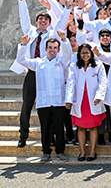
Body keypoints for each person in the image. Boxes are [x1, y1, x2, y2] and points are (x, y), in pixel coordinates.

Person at [16, 34, 72, 162]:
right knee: (45, 128)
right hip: (44, 102)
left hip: (58, 101)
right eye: (50, 47)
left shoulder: (62, 62)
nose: (52, 50)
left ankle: (60, 151)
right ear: (46, 49)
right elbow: (21, 60)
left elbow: (68, 54)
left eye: (55, 48)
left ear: (58, 50)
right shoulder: (38, 63)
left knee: (59, 128)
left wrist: (64, 40)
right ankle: (46, 152)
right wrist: (24, 45)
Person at [66, 43, 108, 161]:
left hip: (93, 100)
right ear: (79, 54)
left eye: (87, 52)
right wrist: (69, 99)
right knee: (81, 127)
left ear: (91, 53)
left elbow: (103, 82)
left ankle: (93, 152)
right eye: (83, 52)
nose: (85, 55)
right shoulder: (74, 65)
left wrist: (99, 96)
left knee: (93, 127)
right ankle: (82, 152)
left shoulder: (98, 65)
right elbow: (70, 82)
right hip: (80, 100)